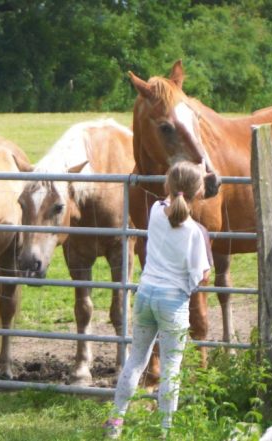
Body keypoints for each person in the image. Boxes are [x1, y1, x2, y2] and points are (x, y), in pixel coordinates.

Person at [104, 161, 212, 438]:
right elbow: (201, 275)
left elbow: (169, 201)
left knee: (135, 360)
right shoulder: (194, 232)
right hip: (172, 302)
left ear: (167, 186)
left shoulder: (154, 212)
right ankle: (165, 430)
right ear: (199, 191)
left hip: (146, 294)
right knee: (171, 368)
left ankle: (116, 422)